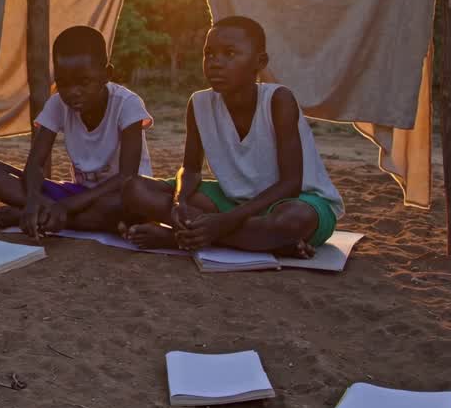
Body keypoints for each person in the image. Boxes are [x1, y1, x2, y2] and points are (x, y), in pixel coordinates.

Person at [122, 16, 345, 258]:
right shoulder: (199, 103)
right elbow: (191, 169)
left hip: (295, 200)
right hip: (232, 200)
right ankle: (265, 242)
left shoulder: (278, 100)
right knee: (135, 188)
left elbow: (290, 184)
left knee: (293, 221)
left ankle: (175, 239)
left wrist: (224, 222)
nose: (215, 63)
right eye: (209, 54)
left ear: (259, 62)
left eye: (229, 54)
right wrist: (180, 202)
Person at [0, 26, 153, 238]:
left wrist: (66, 207)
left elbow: (127, 176)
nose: (73, 92)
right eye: (63, 83)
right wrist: (34, 200)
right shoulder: (57, 104)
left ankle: (38, 217)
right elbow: (35, 164)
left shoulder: (127, 105)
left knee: (125, 205)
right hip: (78, 195)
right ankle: (48, 214)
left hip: (120, 195)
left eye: (84, 82)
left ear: (107, 74)